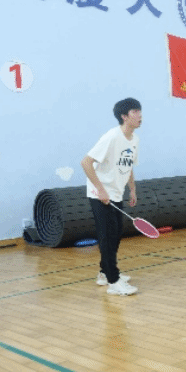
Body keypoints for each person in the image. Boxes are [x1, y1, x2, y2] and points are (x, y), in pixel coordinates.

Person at [80, 98, 143, 296]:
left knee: (115, 235)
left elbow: (128, 165)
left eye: (140, 111)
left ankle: (104, 273)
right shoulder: (112, 136)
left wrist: (132, 189)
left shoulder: (134, 139)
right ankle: (114, 282)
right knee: (107, 236)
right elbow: (86, 162)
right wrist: (100, 190)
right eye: (135, 112)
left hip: (116, 193)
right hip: (100, 194)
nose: (140, 115)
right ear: (124, 116)